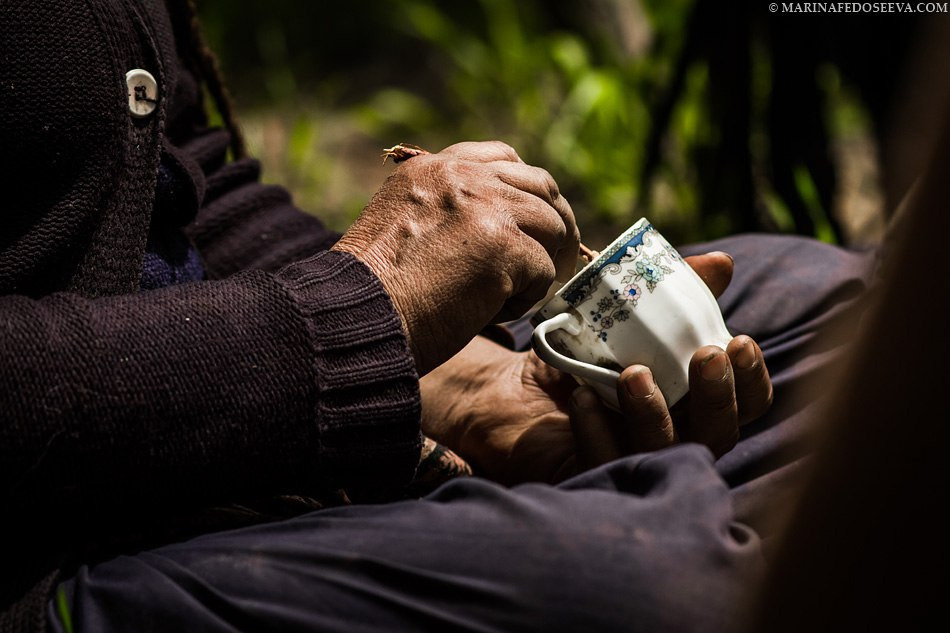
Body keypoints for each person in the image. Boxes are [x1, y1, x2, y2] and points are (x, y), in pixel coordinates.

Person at [0, 1, 876, 631]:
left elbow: (180, 183)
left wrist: (454, 379)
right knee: (667, 573)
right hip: (56, 554)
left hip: (223, 403)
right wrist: (345, 319)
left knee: (840, 316)